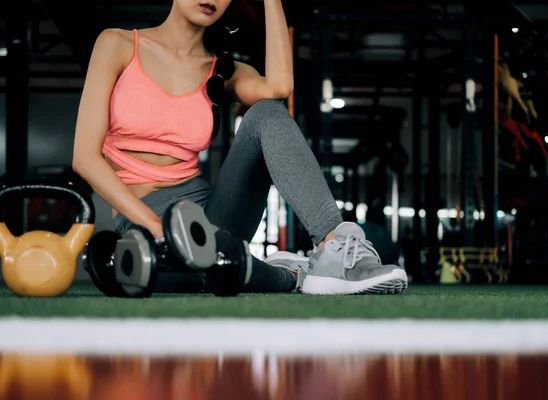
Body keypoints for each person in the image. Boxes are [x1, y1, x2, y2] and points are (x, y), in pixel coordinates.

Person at [72, 0, 407, 295]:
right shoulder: (116, 44)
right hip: (144, 217)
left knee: (266, 111)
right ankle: (290, 274)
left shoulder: (221, 69)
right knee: (171, 276)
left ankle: (332, 245)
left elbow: (278, 87)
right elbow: (85, 158)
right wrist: (160, 230)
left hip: (214, 214)